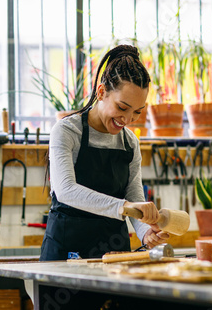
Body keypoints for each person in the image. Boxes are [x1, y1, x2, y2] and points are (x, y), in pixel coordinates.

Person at [40, 44, 169, 261]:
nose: (127, 120)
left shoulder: (130, 143)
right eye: (122, 107)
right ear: (101, 92)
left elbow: (134, 195)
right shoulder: (67, 131)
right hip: (66, 254)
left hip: (113, 255)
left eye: (137, 112)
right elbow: (66, 191)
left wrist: (145, 232)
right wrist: (125, 207)